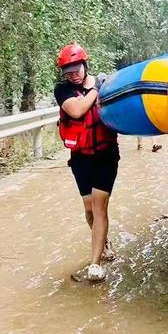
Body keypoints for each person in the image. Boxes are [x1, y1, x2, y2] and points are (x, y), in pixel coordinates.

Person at [54, 43, 119, 281]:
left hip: (106, 155)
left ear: (85, 65)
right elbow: (78, 110)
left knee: (100, 207)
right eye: (68, 72)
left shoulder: (106, 86)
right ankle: (104, 242)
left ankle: (95, 263)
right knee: (89, 209)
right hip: (81, 158)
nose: (73, 75)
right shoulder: (62, 90)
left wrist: (101, 87)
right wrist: (95, 89)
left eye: (76, 69)